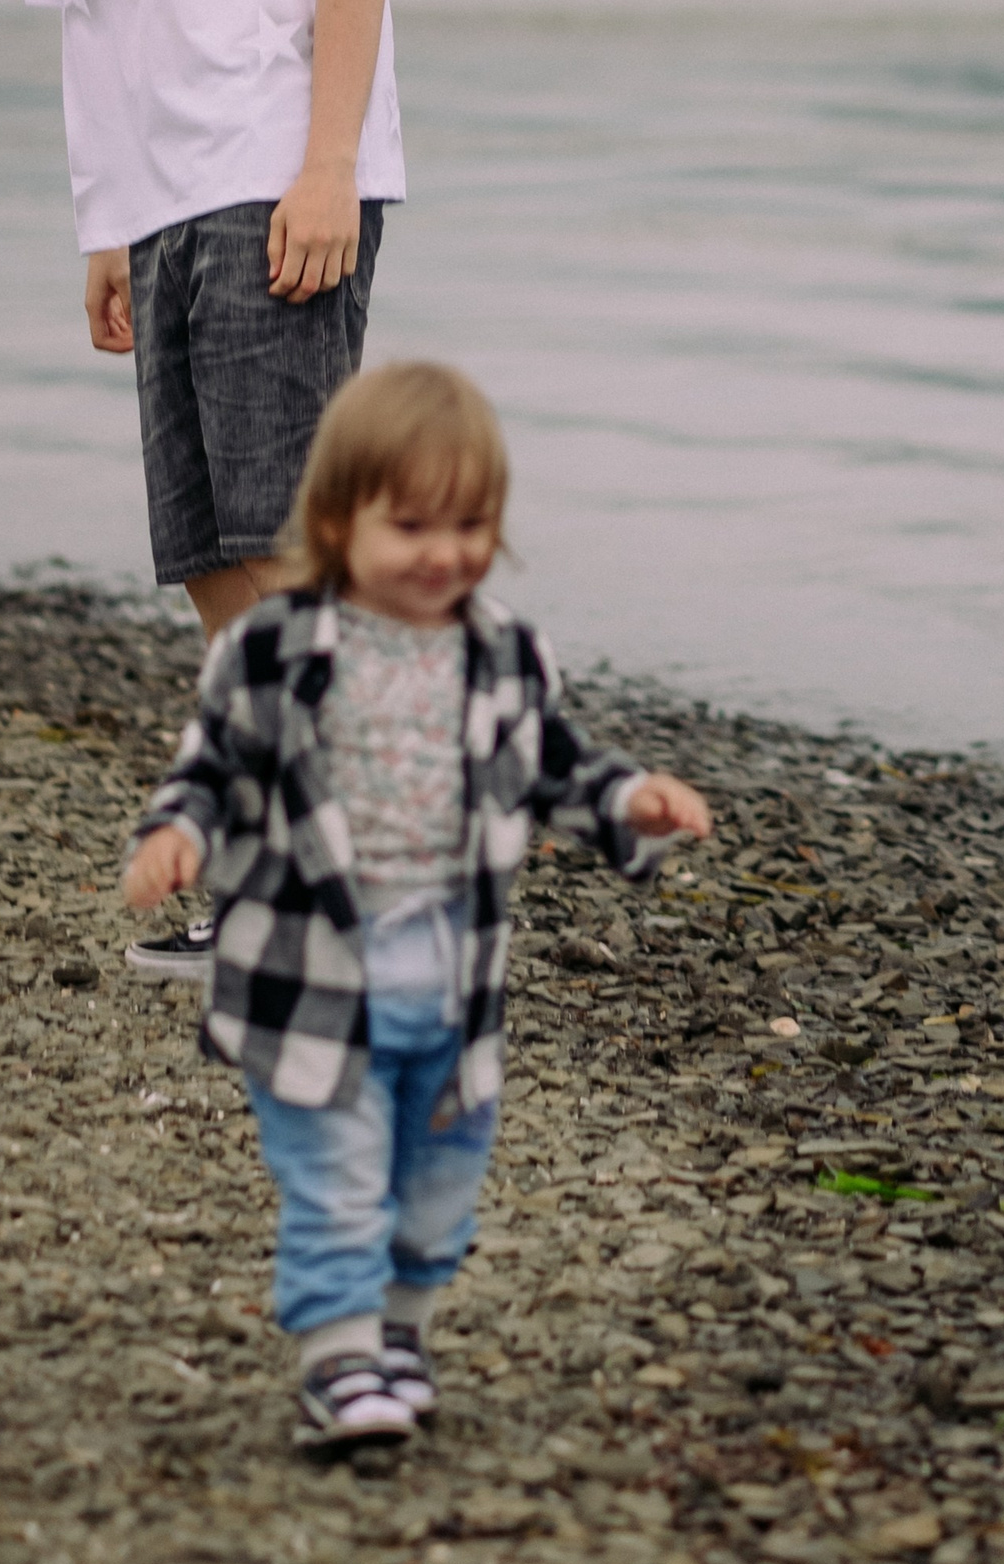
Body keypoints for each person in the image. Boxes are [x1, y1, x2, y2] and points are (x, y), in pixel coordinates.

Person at [122, 361, 714, 1454]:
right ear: (339, 520)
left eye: (472, 522)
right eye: (412, 524)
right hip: (313, 978)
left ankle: (399, 1332)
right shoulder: (276, 647)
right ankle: (337, 1360)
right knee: (340, 1179)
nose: (445, 550)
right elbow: (213, 767)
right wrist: (178, 837)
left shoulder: (499, 651)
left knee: (438, 1184)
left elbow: (555, 763)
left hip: (451, 979)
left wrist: (634, 798)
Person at [25, 0, 407, 980]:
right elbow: (94, 6)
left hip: (278, 172)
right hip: (163, 195)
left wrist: (325, 170)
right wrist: (101, 222)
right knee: (208, 556)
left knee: (286, 547)